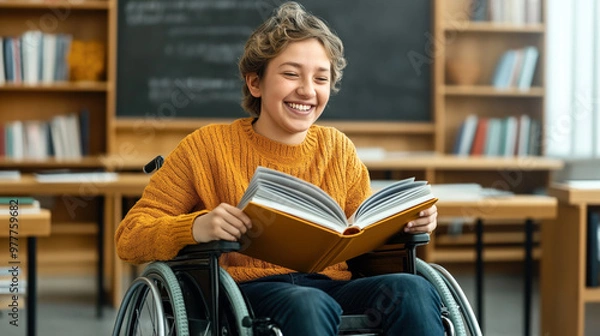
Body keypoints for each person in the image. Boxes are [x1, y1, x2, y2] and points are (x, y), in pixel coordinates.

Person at [115, 2, 443, 335]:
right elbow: (130, 238)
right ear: (256, 83)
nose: (307, 90)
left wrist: (402, 225)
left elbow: (360, 238)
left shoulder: (338, 150)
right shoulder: (206, 147)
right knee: (307, 303)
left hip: (332, 288)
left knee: (412, 290)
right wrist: (196, 227)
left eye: (320, 78)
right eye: (290, 74)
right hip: (245, 293)